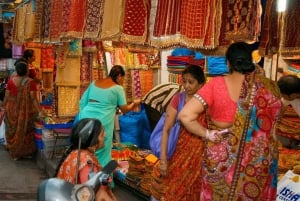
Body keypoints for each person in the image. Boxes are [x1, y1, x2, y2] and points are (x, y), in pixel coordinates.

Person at [178, 42, 283, 200]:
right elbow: (276, 118)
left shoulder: (216, 84)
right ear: (249, 61)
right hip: (255, 165)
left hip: (220, 161)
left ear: (228, 63)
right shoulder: (267, 87)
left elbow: (185, 116)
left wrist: (207, 134)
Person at [151, 64, 206, 201]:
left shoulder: (206, 102)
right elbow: (166, 130)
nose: (186, 86)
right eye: (184, 81)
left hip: (198, 159)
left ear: (201, 84)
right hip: (177, 156)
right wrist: (163, 160)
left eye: (191, 82)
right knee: (169, 190)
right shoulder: (178, 99)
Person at [77, 65, 140, 173]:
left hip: (85, 118)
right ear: (119, 76)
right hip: (103, 121)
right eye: (123, 79)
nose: (122, 82)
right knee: (102, 151)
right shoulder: (118, 88)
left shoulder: (94, 83)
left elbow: (82, 101)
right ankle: (102, 182)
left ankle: (83, 175)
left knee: (85, 148)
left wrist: (84, 115)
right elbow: (124, 109)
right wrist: (134, 103)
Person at [56, 118, 117, 201]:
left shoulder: (75, 153)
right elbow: (92, 194)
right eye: (102, 134)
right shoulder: (86, 163)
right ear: (93, 139)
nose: (105, 136)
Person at [2, 61, 43, 160]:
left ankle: (14, 152)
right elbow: (33, 99)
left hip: (12, 109)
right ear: (26, 71)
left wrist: (3, 106)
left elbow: (7, 96)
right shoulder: (30, 82)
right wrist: (39, 111)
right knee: (25, 131)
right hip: (25, 111)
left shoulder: (11, 81)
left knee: (12, 130)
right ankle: (24, 152)